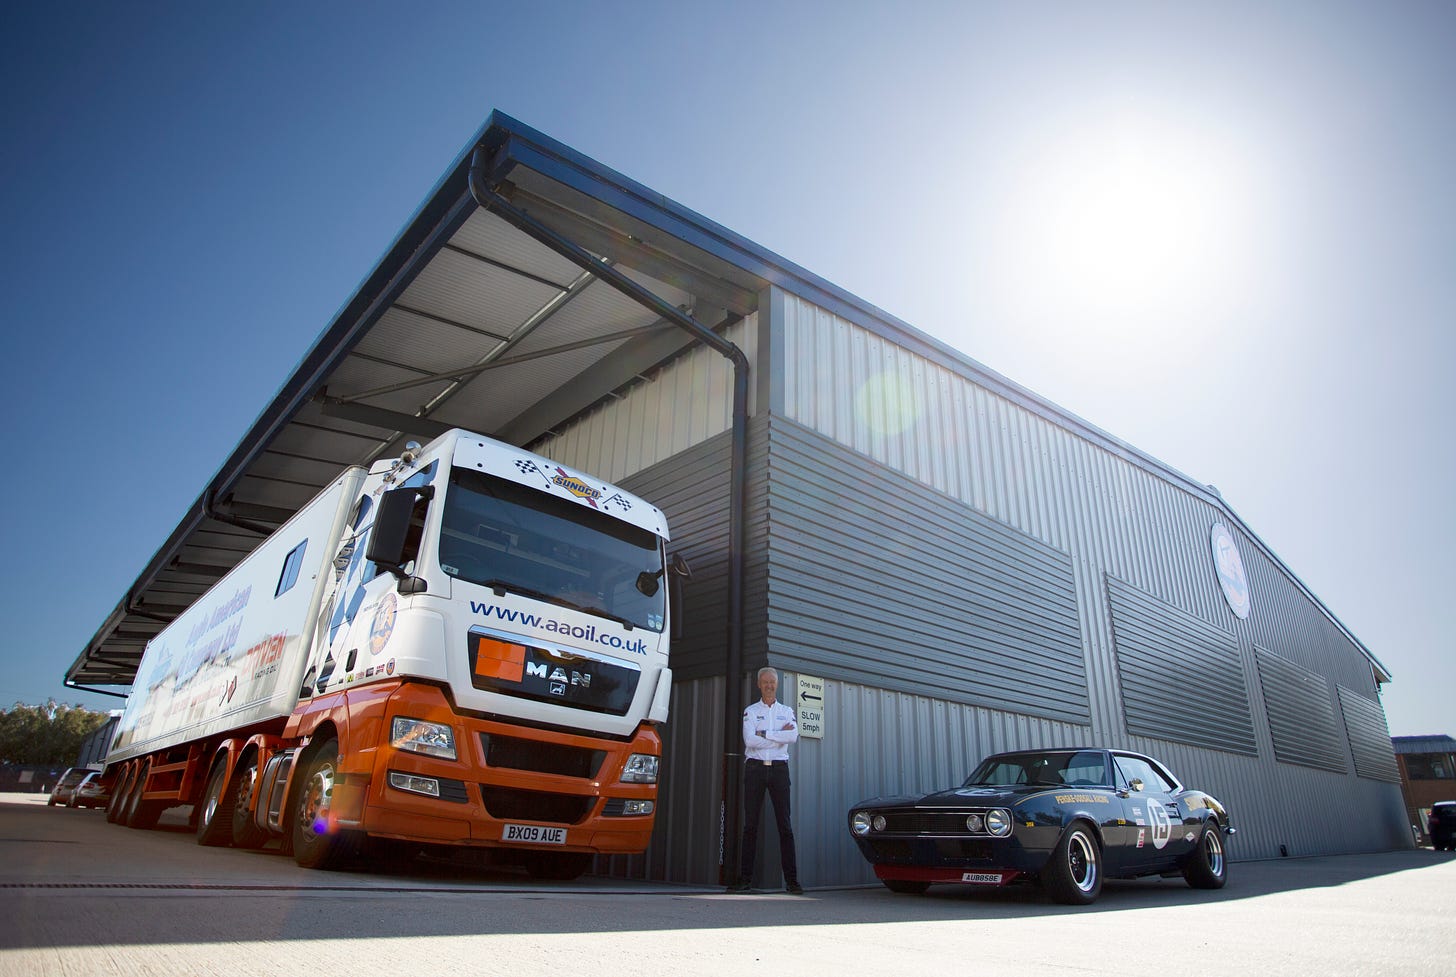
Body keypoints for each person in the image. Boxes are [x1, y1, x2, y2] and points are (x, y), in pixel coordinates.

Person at [727, 666, 803, 894]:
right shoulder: (750, 711)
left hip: (779, 770)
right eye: (765, 682)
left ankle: (792, 881)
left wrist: (765, 734)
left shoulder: (786, 711)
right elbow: (750, 741)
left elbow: (793, 736)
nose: (769, 686)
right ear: (759, 685)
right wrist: (777, 737)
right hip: (755, 770)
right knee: (750, 826)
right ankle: (745, 879)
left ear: (777, 685)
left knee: (785, 826)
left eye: (773, 682)